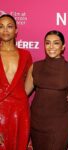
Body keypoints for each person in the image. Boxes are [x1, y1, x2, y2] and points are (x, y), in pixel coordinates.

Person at [25, 30, 68, 150]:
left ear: (63, 47)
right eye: (47, 43)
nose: (51, 47)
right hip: (37, 122)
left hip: (60, 123)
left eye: (56, 43)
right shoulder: (35, 66)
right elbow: (23, 93)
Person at [0, 14, 32, 150]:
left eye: (9, 26)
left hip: (20, 111)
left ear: (16, 30)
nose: (5, 30)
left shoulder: (25, 55)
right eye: (1, 27)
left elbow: (28, 86)